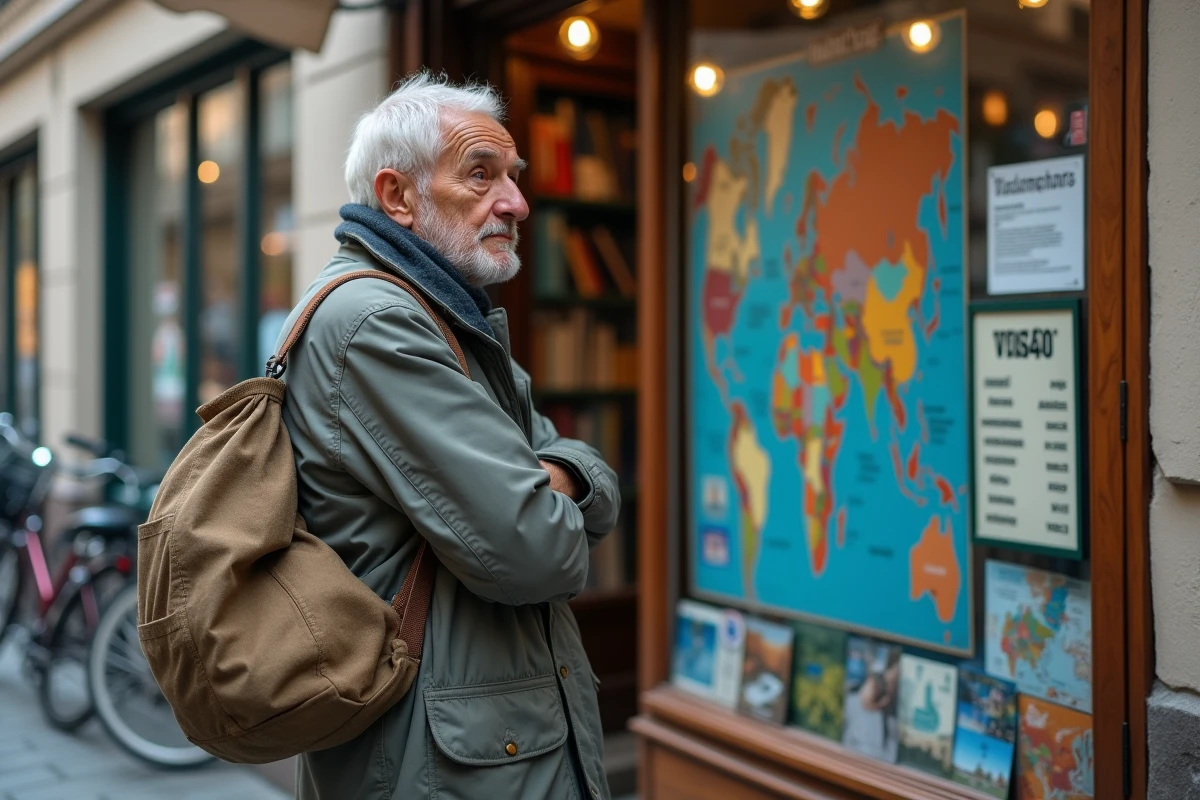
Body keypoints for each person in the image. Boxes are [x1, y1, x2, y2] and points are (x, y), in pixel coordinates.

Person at [276, 71, 621, 800]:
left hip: (485, 745)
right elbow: (537, 546)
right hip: (445, 767)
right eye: (481, 174)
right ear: (398, 196)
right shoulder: (378, 323)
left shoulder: (444, 313)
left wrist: (558, 473)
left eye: (514, 177)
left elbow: (564, 475)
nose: (517, 202)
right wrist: (564, 476)